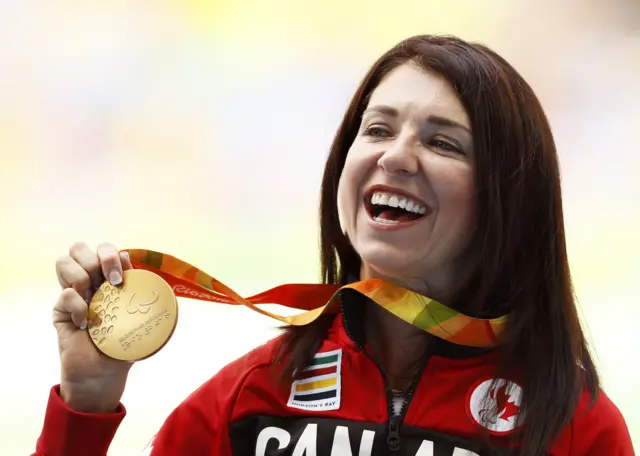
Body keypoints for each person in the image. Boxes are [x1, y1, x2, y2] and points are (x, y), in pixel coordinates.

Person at [32, 35, 633, 456]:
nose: (395, 156)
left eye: (444, 143)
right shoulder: (253, 396)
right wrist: (86, 406)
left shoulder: (575, 429)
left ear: (510, 199)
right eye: (376, 129)